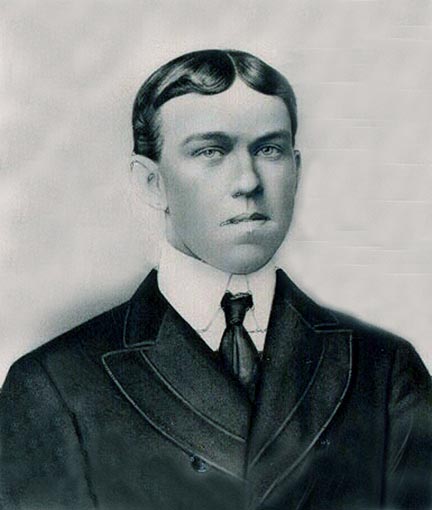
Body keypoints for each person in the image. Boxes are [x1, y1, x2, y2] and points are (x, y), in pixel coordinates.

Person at [0, 49, 431, 510]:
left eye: (269, 150)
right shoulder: (54, 384)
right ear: (151, 182)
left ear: (297, 168)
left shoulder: (384, 369)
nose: (248, 182)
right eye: (211, 151)